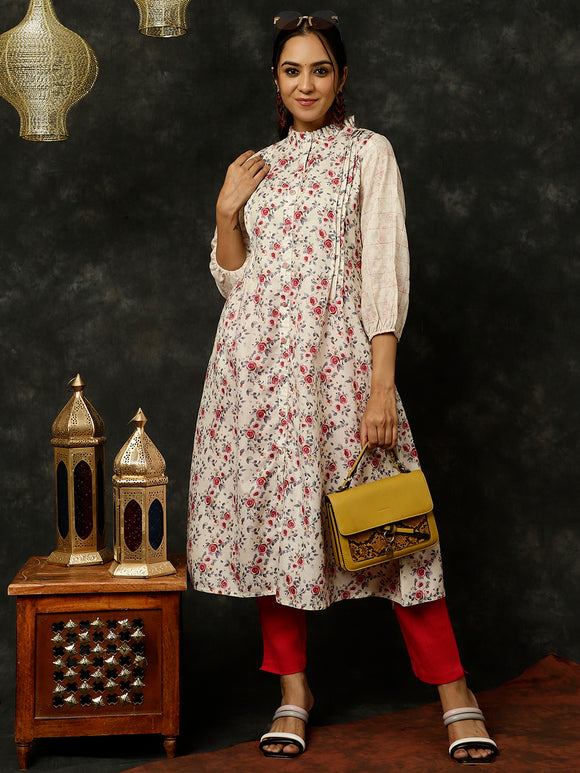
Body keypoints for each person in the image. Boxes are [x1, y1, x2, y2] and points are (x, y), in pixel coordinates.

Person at [187, 10, 498, 764]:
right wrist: (226, 210)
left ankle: (455, 692)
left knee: (395, 528)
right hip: (255, 379)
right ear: (275, 79)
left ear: (342, 77)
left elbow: (384, 266)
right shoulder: (257, 166)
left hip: (340, 368)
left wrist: (381, 382)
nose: (306, 84)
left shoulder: (368, 152)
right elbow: (234, 280)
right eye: (292, 71)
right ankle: (292, 693)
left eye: (320, 70)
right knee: (277, 530)